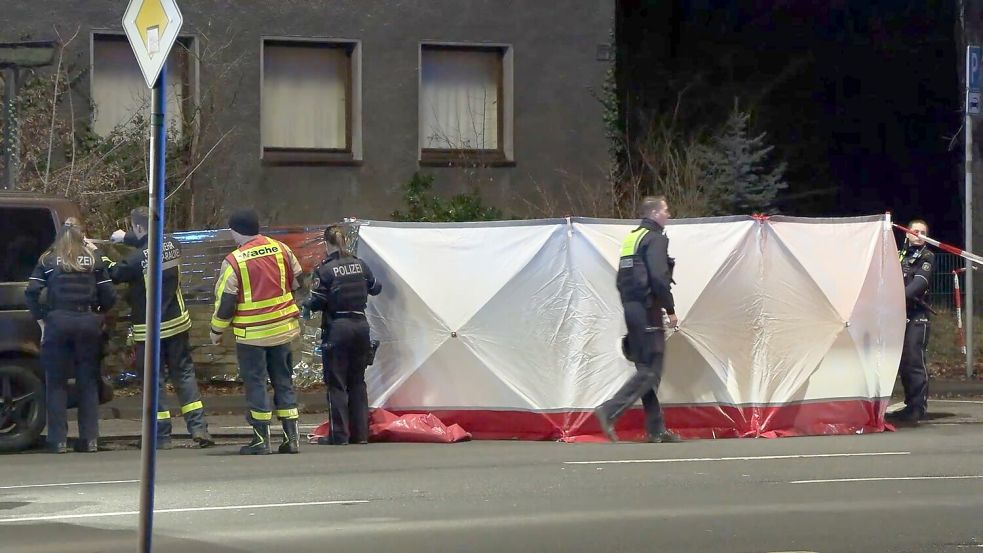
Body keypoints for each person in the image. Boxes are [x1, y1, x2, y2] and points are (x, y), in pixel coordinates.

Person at [98, 207, 213, 449]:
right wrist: (125, 237)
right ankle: (199, 428)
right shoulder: (172, 244)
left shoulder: (136, 260)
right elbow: (149, 240)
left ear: (139, 227)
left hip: (151, 330)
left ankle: (161, 436)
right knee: (184, 375)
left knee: (154, 382)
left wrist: (103, 255)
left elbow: (115, 273)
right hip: (178, 322)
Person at [210, 208, 304, 455]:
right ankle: (291, 439)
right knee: (284, 381)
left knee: (257, 384)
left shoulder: (234, 261)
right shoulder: (282, 249)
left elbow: (226, 303)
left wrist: (216, 331)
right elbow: (298, 281)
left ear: (235, 231)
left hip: (253, 335)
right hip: (284, 329)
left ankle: (262, 440)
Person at [594, 196, 682, 443]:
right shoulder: (656, 238)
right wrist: (670, 309)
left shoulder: (633, 237)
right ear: (654, 213)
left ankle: (656, 430)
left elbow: (623, 277)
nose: (669, 214)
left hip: (631, 308)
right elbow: (658, 277)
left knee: (645, 368)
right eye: (665, 210)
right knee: (652, 369)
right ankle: (609, 410)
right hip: (647, 308)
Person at [25, 218, 116, 453]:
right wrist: (98, 313)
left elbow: (32, 292)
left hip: (58, 322)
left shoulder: (48, 259)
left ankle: (58, 441)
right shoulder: (92, 259)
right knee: (87, 382)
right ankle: (90, 440)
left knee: (56, 383)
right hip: (87, 323)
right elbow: (109, 294)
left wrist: (42, 317)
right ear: (81, 236)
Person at [303, 225, 381, 445]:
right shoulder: (360, 264)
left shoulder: (325, 269)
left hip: (338, 327)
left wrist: (307, 305)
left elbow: (318, 300)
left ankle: (339, 436)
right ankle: (361, 435)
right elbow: (376, 288)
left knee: (336, 383)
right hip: (361, 326)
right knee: (357, 382)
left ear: (327, 244)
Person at [887, 219, 935, 424]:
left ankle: (918, 408)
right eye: (914, 230)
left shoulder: (927, 256)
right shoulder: (898, 255)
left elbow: (919, 283)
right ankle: (909, 405)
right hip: (898, 315)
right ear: (906, 233)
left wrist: (896, 297)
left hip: (917, 316)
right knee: (904, 363)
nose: (918, 234)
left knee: (915, 361)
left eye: (923, 232)